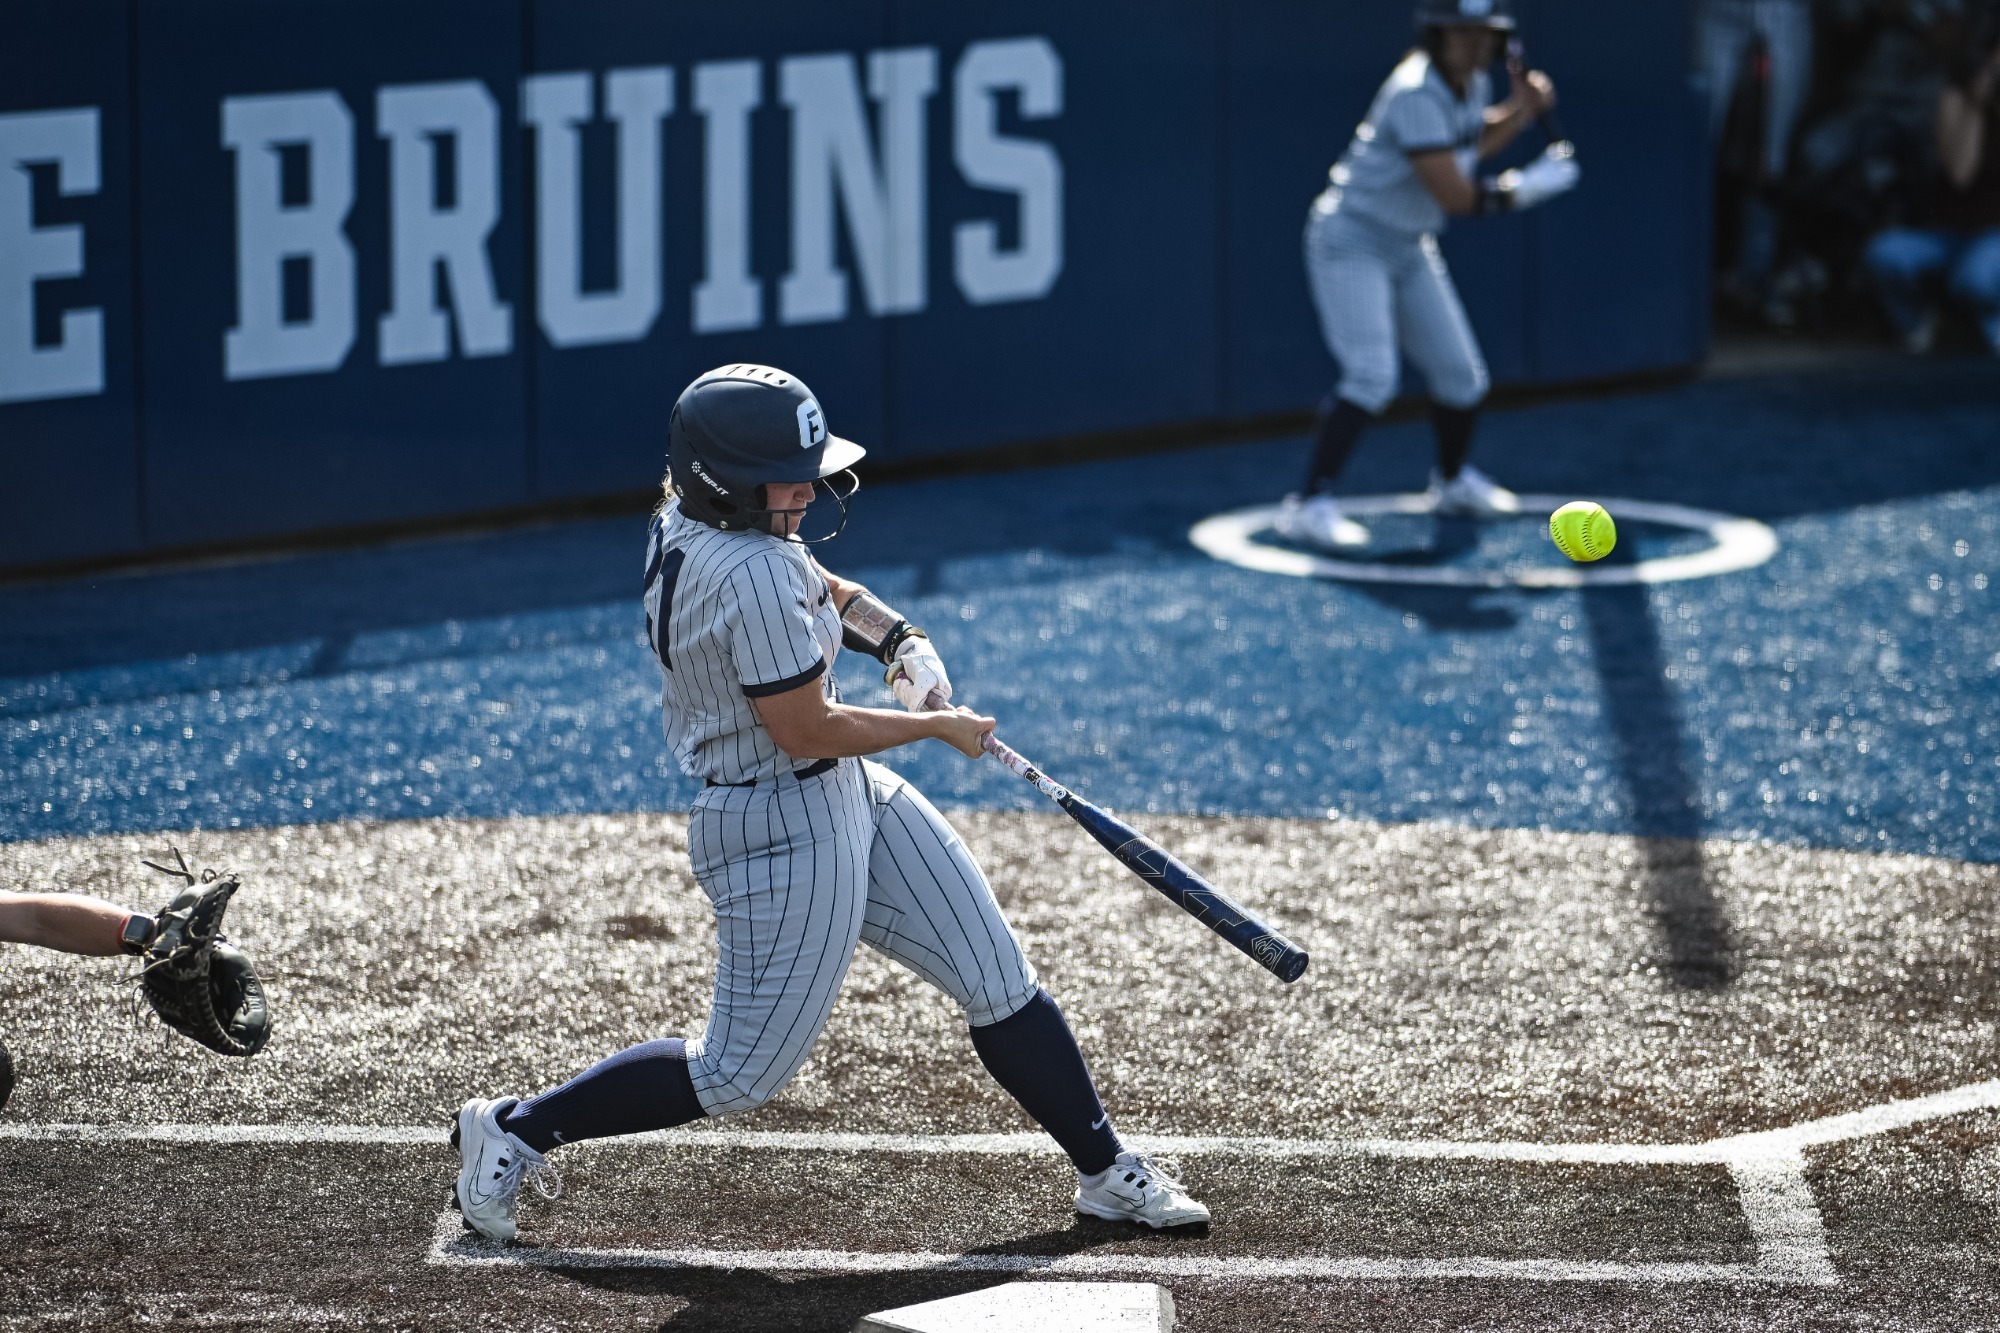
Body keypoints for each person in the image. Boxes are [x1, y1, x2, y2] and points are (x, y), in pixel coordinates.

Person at [449, 364, 1209, 1242]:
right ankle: (512, 1128)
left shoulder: (696, 521)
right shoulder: (750, 571)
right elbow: (808, 726)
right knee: (736, 1075)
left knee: (997, 978)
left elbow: (825, 588)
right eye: (790, 474)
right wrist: (933, 730)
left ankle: (1106, 1170)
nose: (811, 488)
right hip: (776, 825)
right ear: (728, 483)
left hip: (838, 794)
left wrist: (902, 641)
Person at [1282, 0, 1578, 551]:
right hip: (1354, 240)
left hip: (1408, 242)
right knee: (1370, 375)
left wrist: (1520, 111)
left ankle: (1450, 482)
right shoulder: (1416, 91)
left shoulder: (1473, 86)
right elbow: (1457, 194)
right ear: (1437, 37)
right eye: (1462, 35)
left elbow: (1464, 144)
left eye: (1484, 36)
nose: (1475, 46)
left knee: (1462, 376)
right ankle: (1308, 504)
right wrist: (1534, 183)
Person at [1863, 26, 2000, 353]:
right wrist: (1977, 105)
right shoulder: (1955, 98)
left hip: (1994, 238)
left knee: (1974, 276)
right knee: (1884, 252)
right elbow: (1960, 174)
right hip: (1948, 233)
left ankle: (1988, 323)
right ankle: (1921, 326)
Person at [1698, 0, 1817, 321]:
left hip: (1784, 14)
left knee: (1770, 161)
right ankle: (1690, 278)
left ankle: (1756, 278)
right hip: (1719, 14)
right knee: (1697, 152)